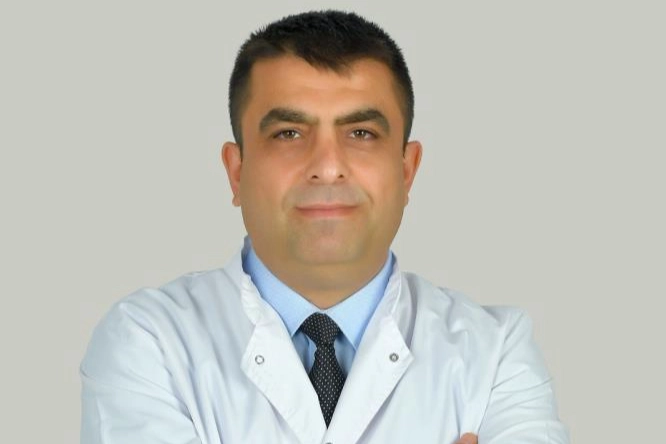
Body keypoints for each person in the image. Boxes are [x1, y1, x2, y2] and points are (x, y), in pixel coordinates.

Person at [80, 10, 569, 444]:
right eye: (289, 133)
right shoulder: (149, 343)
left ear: (406, 171)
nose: (328, 166)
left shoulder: (494, 352)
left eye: (361, 133)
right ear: (236, 170)